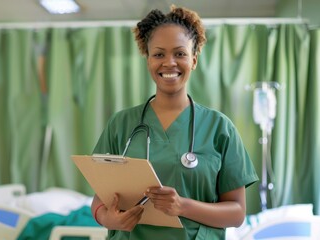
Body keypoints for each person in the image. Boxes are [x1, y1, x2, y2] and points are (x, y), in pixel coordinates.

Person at [90, 5, 259, 240]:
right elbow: (99, 201)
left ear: (194, 60)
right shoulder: (121, 124)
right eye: (159, 54)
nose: (169, 63)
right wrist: (110, 219)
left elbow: (237, 213)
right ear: (148, 60)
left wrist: (182, 206)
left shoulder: (219, 127)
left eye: (180, 53)